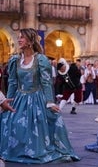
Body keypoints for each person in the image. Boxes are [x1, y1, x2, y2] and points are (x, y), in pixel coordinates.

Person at [0, 28, 79, 164]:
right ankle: (19, 150)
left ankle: (35, 150)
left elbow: (46, 82)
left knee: (37, 125)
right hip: (19, 98)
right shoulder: (15, 60)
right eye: (18, 37)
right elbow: (12, 82)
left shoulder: (41, 60)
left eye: (22, 37)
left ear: (30, 41)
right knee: (15, 123)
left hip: (36, 98)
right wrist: (8, 99)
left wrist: (50, 102)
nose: (19, 40)